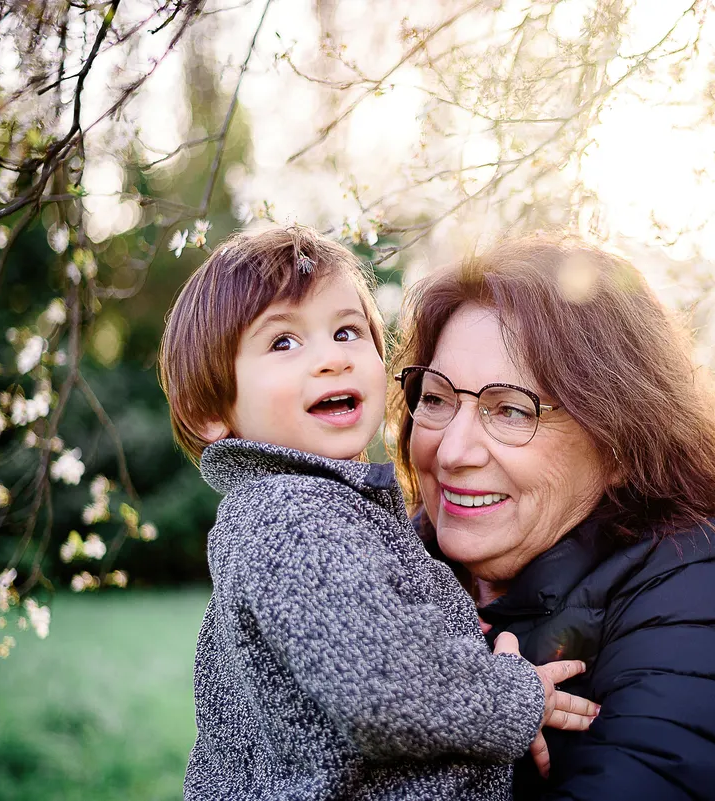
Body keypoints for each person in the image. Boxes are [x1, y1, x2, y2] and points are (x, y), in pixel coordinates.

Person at [159, 225, 597, 801]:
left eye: (347, 331)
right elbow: (383, 689)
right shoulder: (293, 519)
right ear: (208, 409)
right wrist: (514, 698)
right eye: (284, 343)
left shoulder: (313, 510)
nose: (332, 359)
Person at [389, 232, 715, 800]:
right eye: (436, 398)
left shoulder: (701, 593)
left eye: (510, 410)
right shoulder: (369, 562)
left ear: (618, 442)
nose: (452, 449)